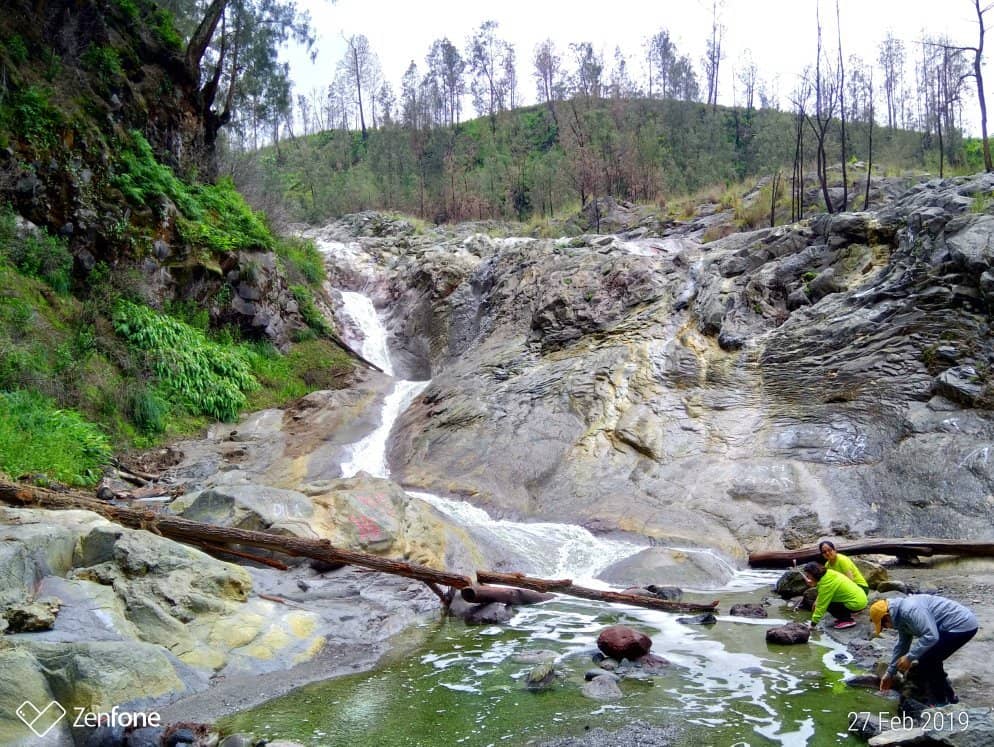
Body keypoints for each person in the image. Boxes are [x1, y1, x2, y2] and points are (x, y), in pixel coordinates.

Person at [871, 596, 979, 707]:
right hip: (948, 627)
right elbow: (902, 645)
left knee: (927, 660)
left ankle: (941, 702)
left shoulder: (910, 611)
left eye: (884, 625)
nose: (887, 628)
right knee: (931, 659)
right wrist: (890, 673)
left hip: (961, 624)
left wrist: (909, 657)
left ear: (887, 617)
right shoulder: (900, 618)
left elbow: (931, 636)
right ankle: (950, 697)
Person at [802, 561, 867, 629]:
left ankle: (847, 620)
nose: (807, 577)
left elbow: (821, 605)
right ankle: (844, 617)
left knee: (828, 605)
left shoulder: (826, 584)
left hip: (856, 603)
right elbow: (821, 588)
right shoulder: (829, 573)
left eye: (808, 575)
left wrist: (813, 624)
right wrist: (814, 583)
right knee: (828, 601)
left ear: (814, 574)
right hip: (860, 598)